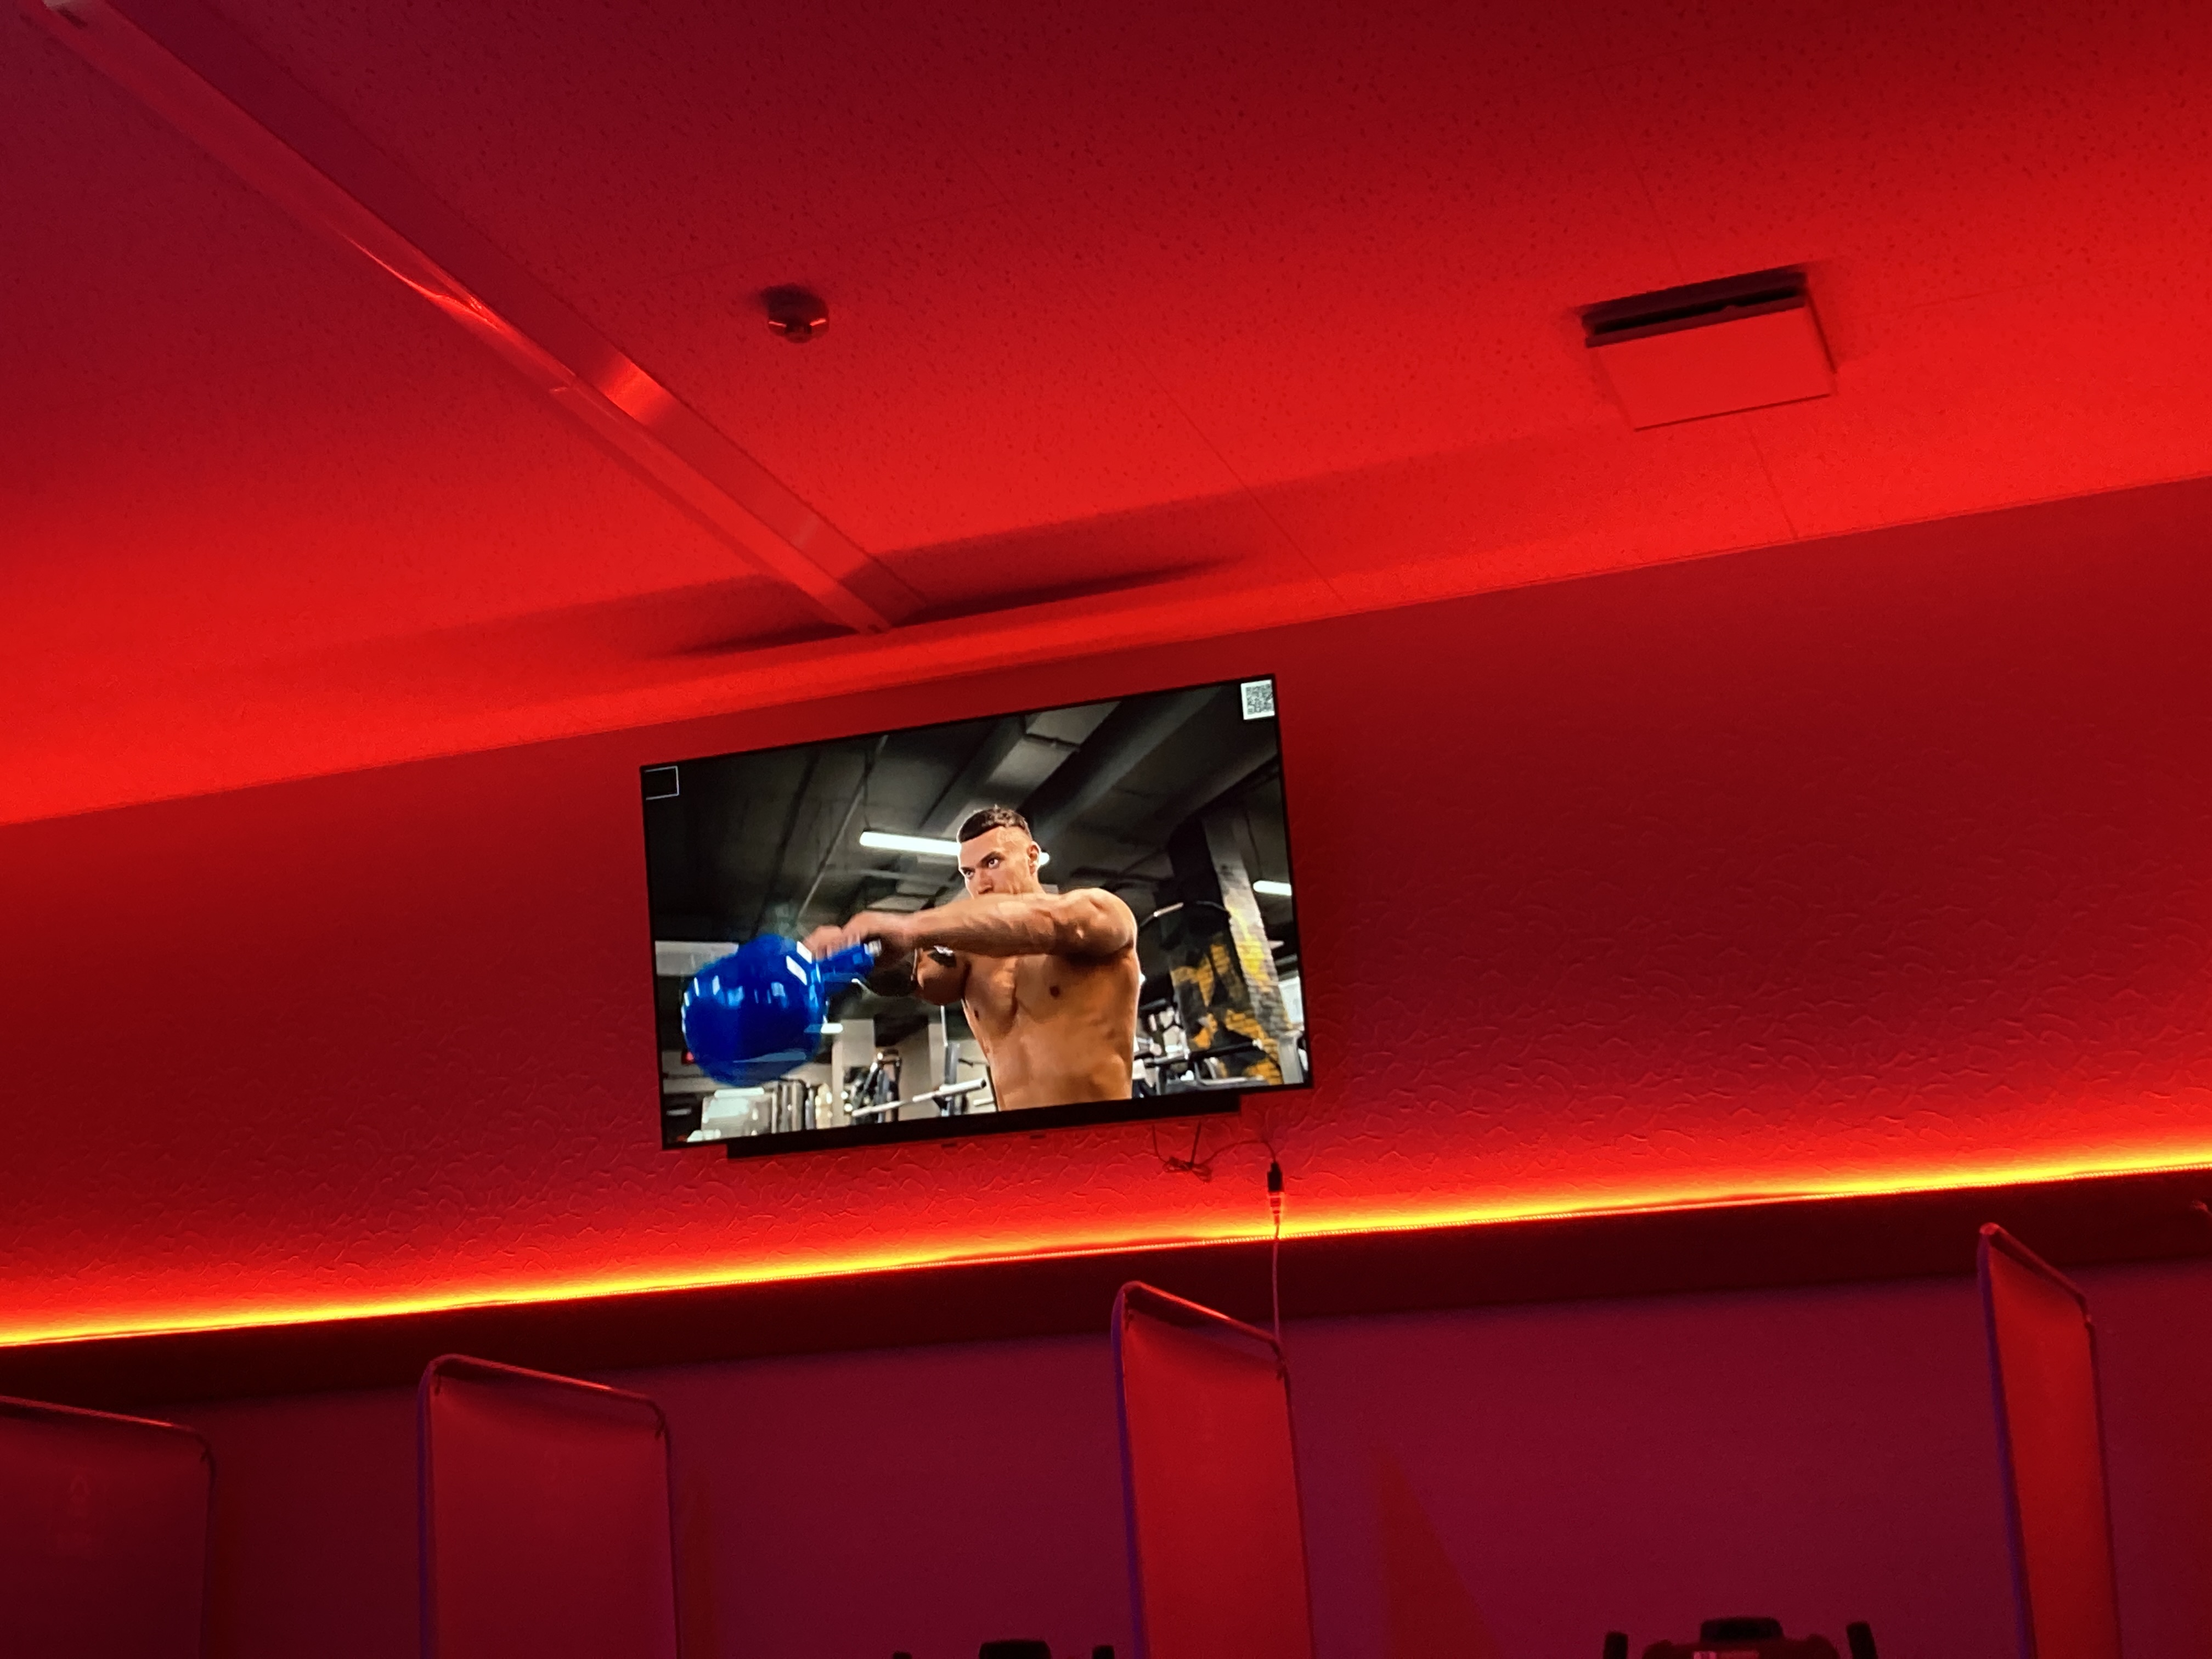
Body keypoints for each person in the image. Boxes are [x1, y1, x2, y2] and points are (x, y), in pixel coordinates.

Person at [802, 806, 1140, 1110]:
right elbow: (917, 976)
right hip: (1021, 1149)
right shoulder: (970, 958)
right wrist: (857, 951)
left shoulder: (1100, 912)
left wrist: (908, 927)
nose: (981, 884)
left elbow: (1055, 924)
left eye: (992, 863)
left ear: (1032, 857)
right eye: (969, 873)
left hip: (1102, 1140)